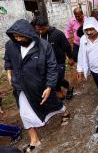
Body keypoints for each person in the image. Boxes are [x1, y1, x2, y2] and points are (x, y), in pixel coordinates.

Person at [4, 19, 65, 152]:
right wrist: (9, 73)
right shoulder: (10, 45)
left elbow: (52, 67)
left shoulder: (44, 46)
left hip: (40, 85)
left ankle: (65, 113)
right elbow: (8, 60)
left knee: (53, 105)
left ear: (29, 34)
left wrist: (49, 86)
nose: (18, 39)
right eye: (15, 37)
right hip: (20, 86)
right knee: (24, 112)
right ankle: (34, 139)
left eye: (21, 36)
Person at [34, 17, 75, 100]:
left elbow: (66, 47)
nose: (40, 31)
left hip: (59, 61)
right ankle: (62, 92)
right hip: (45, 63)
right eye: (38, 29)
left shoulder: (58, 34)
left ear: (47, 26)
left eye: (42, 29)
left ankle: (64, 91)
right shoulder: (37, 35)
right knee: (52, 79)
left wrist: (70, 57)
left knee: (58, 79)